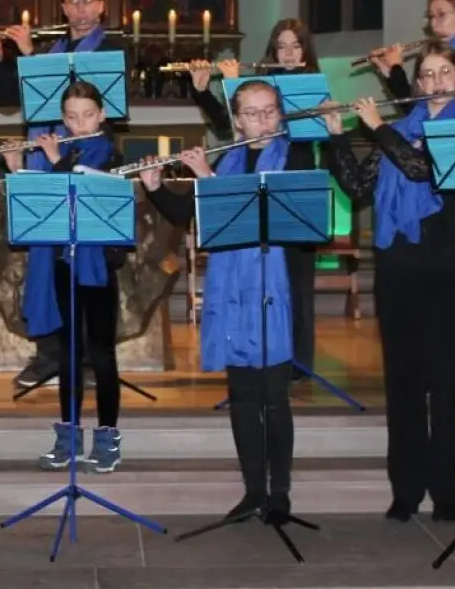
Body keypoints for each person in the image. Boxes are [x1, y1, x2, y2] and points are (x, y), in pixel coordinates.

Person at [138, 81, 333, 519]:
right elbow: (194, 217)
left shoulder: (297, 156)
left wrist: (205, 178)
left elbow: (283, 218)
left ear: (280, 115)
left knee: (274, 397)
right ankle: (252, 491)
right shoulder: (227, 160)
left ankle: (279, 492)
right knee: (243, 396)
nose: (262, 121)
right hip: (234, 295)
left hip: (277, 291)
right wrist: (155, 188)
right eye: (251, 113)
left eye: (269, 112)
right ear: (237, 120)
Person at [323, 42, 455, 523]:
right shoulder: (401, 130)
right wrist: (335, 137)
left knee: (447, 385)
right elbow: (358, 188)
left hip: (451, 272)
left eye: (443, 73)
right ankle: (407, 490)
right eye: (426, 75)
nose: (434, 82)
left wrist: (377, 127)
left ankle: (448, 493)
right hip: (399, 272)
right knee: (404, 386)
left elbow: (422, 169)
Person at [0, 0, 125, 391]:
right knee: (44, 258)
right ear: (62, 9)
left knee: (84, 258)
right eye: (72, 3)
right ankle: (52, 353)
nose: (80, 9)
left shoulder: (113, 48)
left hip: (89, 156)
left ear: (101, 6)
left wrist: (28, 58)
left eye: (88, 1)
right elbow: (9, 101)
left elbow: (92, 101)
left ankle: (90, 354)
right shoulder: (52, 47)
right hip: (46, 159)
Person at [0, 81, 127, 473]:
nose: (79, 123)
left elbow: (80, 188)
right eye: (71, 116)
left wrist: (54, 160)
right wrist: (16, 167)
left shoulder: (108, 152)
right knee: (68, 354)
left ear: (102, 115)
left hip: (99, 266)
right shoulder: (64, 148)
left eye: (87, 115)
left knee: (101, 355)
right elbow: (41, 202)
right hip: (62, 262)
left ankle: (107, 438)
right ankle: (68, 436)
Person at [184, 18, 323, 378]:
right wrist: (210, 90)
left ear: (306, 51)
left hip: (294, 168)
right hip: (258, 169)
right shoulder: (258, 90)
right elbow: (232, 127)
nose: (289, 53)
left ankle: (296, 362)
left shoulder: (313, 88)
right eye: (282, 46)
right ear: (273, 51)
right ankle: (252, 358)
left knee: (297, 281)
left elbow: (297, 136)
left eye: (296, 46)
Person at [373, 0, 455, 388]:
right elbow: (420, 115)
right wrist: (393, 74)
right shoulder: (442, 77)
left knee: (445, 362)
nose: (432, 23)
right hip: (417, 245)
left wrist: (379, 122)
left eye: (440, 14)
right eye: (430, 16)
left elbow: (435, 143)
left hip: (450, 222)